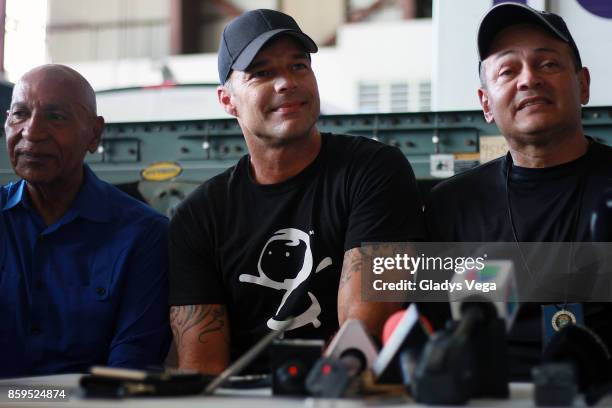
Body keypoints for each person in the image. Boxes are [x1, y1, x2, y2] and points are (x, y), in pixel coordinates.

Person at [168, 9, 425, 374]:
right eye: (262, 73)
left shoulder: (373, 170)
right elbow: (202, 369)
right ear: (227, 100)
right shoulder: (199, 216)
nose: (286, 82)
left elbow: (361, 332)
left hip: (345, 390)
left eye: (298, 66)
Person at [425, 3, 612, 380]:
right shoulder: (450, 206)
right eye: (508, 70)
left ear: (584, 85)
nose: (529, 79)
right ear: (486, 104)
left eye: (548, 64)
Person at [0, 64, 171, 378]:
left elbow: (131, 366)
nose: (32, 132)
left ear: (94, 134)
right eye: (20, 114)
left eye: (56, 117)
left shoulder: (144, 236)